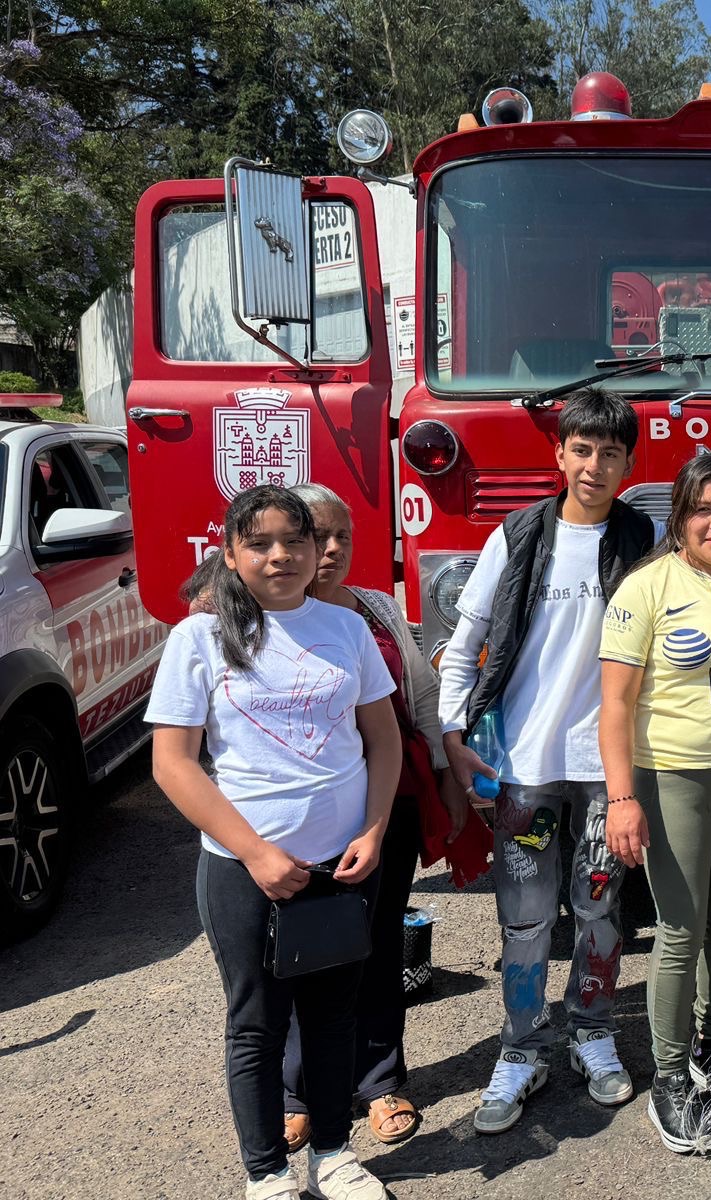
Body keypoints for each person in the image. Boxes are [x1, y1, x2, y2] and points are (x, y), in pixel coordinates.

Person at [148, 485, 401, 1200]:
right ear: (229, 554)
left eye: (294, 539)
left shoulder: (345, 627)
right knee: (257, 1024)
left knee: (333, 1016)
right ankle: (267, 1174)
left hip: (346, 863)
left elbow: (382, 738)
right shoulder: (197, 638)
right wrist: (257, 853)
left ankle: (331, 1156)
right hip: (243, 871)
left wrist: (374, 830)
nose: (281, 555)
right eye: (259, 543)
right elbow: (172, 762)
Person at [435, 390, 655, 1135]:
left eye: (611, 453)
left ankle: (593, 1031)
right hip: (524, 766)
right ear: (559, 455)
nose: (595, 466)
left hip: (605, 770)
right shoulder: (518, 536)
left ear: (629, 463)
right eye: (582, 450)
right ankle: (522, 1047)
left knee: (599, 914)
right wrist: (454, 738)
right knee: (525, 921)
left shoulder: (639, 538)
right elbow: (463, 650)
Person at [275, 483, 479, 1152]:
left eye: (344, 537)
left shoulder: (379, 609)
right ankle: (297, 1092)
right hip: (306, 815)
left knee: (379, 941)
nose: (331, 549)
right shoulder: (267, 616)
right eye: (317, 535)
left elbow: (421, 700)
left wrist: (448, 780)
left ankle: (382, 1082)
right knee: (305, 948)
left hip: (386, 805)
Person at [598, 454, 711, 1153]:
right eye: (704, 508)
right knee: (681, 930)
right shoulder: (645, 587)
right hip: (670, 774)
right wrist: (622, 798)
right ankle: (669, 1078)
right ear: (679, 514)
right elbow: (614, 705)